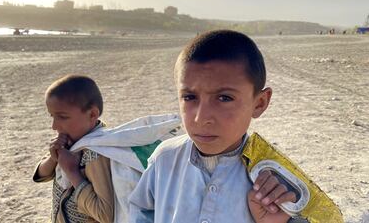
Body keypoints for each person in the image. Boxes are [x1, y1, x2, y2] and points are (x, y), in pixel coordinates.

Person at [129, 30, 305, 223]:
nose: (201, 118)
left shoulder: (274, 180)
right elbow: (141, 210)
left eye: (224, 98)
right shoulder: (164, 159)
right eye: (189, 97)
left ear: (260, 103)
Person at [33, 75, 113, 223]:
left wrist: (72, 172)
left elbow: (105, 215)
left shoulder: (97, 152)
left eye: (62, 117)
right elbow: (41, 175)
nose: (54, 126)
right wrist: (53, 158)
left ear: (92, 114)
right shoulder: (73, 140)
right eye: (52, 116)